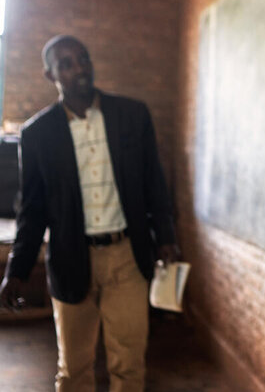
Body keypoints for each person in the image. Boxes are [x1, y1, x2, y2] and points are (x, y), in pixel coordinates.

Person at [0, 35, 179, 392]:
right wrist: (16, 270)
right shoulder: (37, 134)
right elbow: (32, 211)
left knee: (128, 366)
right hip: (70, 258)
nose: (79, 67)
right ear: (50, 74)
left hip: (127, 257)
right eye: (66, 63)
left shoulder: (132, 116)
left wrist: (167, 238)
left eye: (83, 58)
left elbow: (153, 184)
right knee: (74, 369)